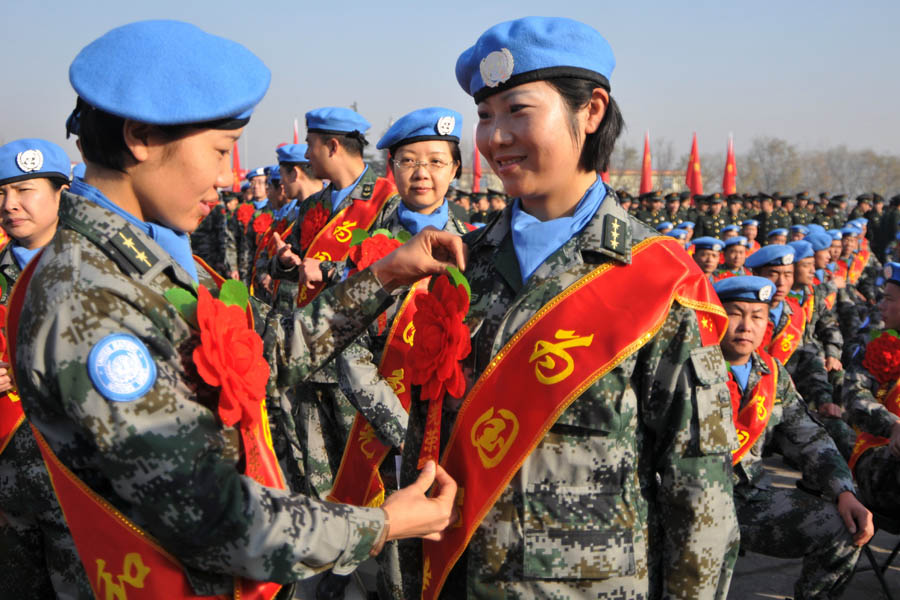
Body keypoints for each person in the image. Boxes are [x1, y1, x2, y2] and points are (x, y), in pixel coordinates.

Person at [14, 20, 461, 598]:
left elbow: (264, 352)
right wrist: (382, 524)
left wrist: (384, 274)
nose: (228, 177)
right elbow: (210, 513)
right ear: (142, 137)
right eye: (221, 150)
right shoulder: (90, 297)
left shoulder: (143, 261)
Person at [398, 16, 739, 599]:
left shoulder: (658, 278)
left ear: (592, 112)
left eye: (517, 111)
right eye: (485, 117)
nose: (496, 136)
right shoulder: (463, 263)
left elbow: (698, 484)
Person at [331, 107, 474, 599]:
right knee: (394, 569)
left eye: (436, 161)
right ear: (391, 168)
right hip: (383, 437)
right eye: (410, 161)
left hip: (453, 438)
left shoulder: (476, 247)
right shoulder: (368, 247)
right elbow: (348, 353)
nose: (422, 173)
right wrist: (408, 434)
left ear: (455, 169)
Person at [713, 276, 873, 600]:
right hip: (688, 501)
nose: (746, 326)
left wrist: (844, 491)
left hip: (749, 499)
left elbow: (810, 438)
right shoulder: (685, 368)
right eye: (736, 314)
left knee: (843, 528)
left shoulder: (772, 374)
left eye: (757, 316)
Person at [0, 139, 95, 598]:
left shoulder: (93, 272)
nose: (10, 205)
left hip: (80, 482)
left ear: (61, 193)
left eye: (24, 190)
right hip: (9, 484)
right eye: (1, 193)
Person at [842, 262, 900, 518]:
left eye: (889, 299)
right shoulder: (872, 342)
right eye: (882, 298)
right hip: (880, 456)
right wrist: (893, 425)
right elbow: (855, 397)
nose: (881, 306)